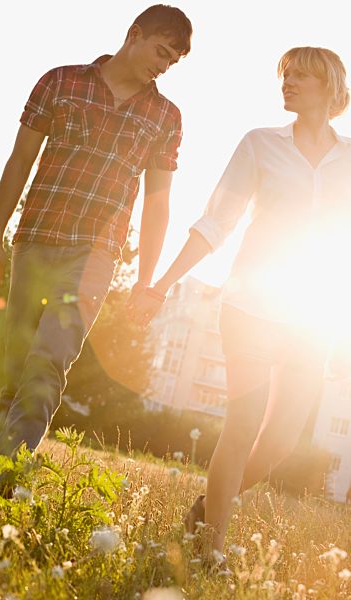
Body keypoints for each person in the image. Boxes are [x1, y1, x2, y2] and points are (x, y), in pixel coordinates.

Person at [129, 47, 351, 556]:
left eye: (300, 75)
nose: (288, 82)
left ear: (330, 86)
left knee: (279, 443)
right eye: (285, 74)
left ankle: (207, 508)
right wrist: (162, 284)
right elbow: (216, 222)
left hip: (311, 318)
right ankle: (213, 547)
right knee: (242, 424)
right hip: (250, 306)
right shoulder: (259, 144)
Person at [0, 5, 192, 463]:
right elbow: (19, 162)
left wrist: (145, 281)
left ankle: (6, 475)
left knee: (50, 358)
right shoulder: (60, 81)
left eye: (172, 61)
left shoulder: (165, 116)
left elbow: (158, 203)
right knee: (17, 362)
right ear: (134, 34)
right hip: (36, 236)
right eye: (160, 51)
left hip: (97, 254)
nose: (163, 65)